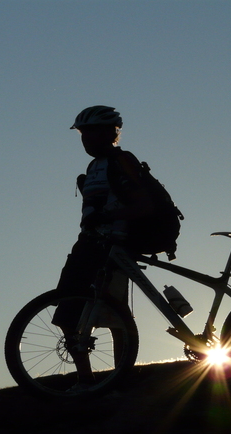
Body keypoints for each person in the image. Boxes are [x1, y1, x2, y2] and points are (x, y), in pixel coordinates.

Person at [52, 105, 156, 389]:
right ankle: (86, 379)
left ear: (111, 133)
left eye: (92, 132)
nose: (86, 139)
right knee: (67, 312)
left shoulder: (122, 161)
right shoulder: (93, 166)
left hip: (114, 247)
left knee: (116, 316)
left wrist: (109, 217)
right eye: (82, 133)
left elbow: (143, 206)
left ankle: (119, 380)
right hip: (87, 244)